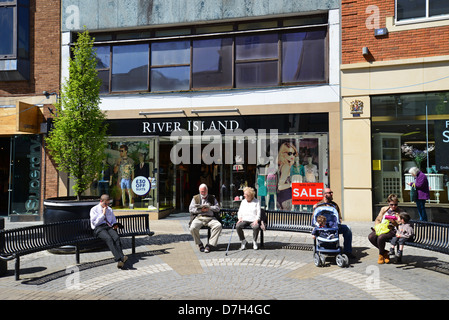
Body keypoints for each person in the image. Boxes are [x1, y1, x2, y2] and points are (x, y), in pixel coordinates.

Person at [313, 188, 354, 258]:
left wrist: (338, 222)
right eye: (330, 192)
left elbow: (340, 218)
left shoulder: (334, 205)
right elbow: (314, 220)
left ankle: (347, 251)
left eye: (331, 192)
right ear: (324, 195)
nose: (332, 194)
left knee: (348, 229)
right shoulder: (319, 206)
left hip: (334, 227)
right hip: (323, 229)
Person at [90, 194, 128, 269]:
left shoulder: (109, 209)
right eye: (105, 203)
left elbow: (113, 220)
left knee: (116, 237)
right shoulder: (94, 209)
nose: (107, 205)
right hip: (98, 228)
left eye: (108, 203)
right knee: (109, 239)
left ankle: (121, 258)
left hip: (108, 227)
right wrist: (103, 214)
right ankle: (119, 258)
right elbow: (95, 223)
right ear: (101, 201)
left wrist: (115, 224)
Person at [368, 194, 404, 264]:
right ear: (388, 203)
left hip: (392, 230)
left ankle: (381, 255)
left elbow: (401, 225)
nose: (394, 206)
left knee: (381, 237)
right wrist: (377, 227)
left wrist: (394, 222)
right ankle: (385, 252)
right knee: (371, 236)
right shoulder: (384, 209)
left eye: (395, 204)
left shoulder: (400, 211)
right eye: (391, 204)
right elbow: (378, 219)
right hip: (382, 228)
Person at [189, 184, 222, 253]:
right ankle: (200, 244)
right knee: (192, 228)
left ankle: (209, 245)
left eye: (204, 191)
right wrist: (201, 210)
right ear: (199, 191)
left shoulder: (212, 198)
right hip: (199, 217)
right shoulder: (195, 198)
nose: (203, 193)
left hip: (210, 218)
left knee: (218, 226)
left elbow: (218, 208)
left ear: (207, 190)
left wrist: (210, 207)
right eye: (201, 192)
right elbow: (191, 209)